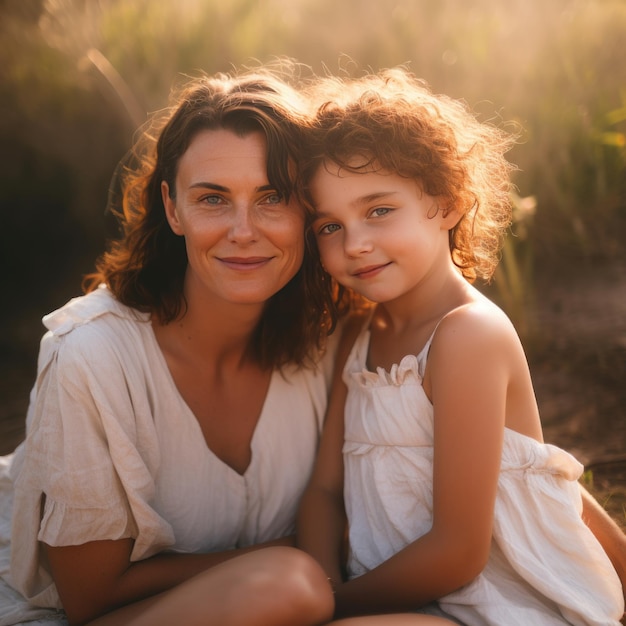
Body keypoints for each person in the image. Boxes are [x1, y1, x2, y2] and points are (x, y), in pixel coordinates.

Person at [5, 65, 338, 626]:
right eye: (213, 199)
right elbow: (89, 597)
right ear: (172, 207)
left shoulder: (326, 342)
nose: (243, 229)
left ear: (308, 209)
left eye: (272, 196)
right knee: (289, 586)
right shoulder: (92, 357)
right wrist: (296, 556)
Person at [296, 68, 626, 624]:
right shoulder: (357, 334)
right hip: (401, 599)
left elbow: (459, 553)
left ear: (447, 203)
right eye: (329, 226)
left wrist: (327, 608)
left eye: (379, 210)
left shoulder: (468, 336)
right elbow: (325, 490)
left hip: (497, 604)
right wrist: (316, 582)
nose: (356, 243)